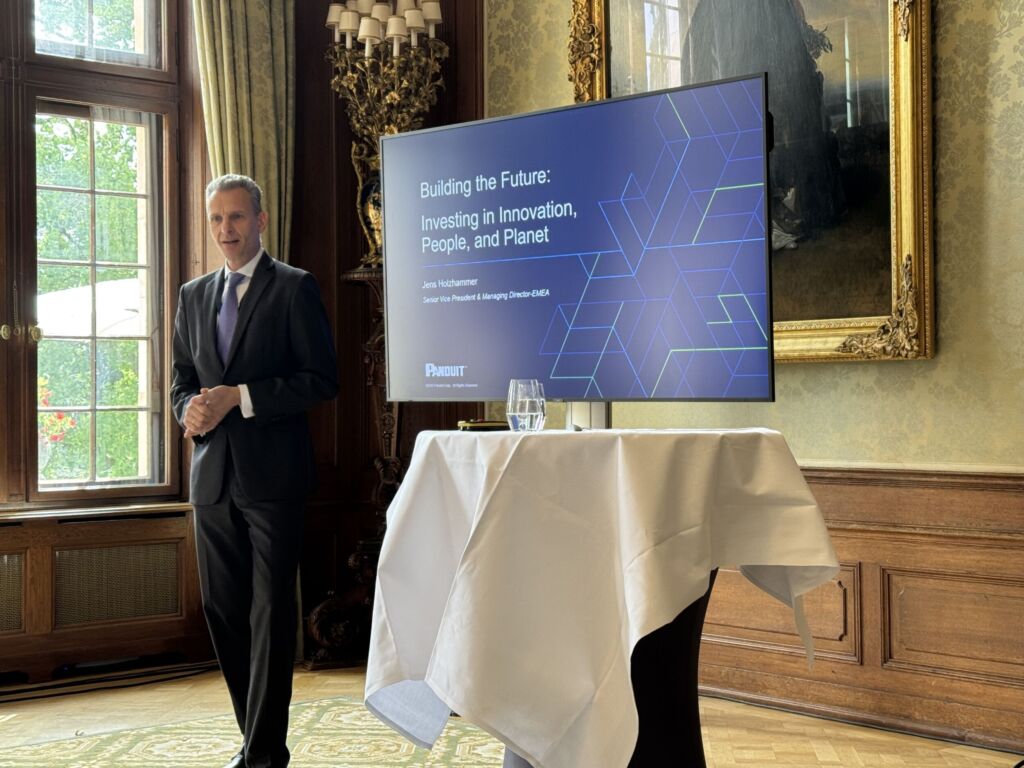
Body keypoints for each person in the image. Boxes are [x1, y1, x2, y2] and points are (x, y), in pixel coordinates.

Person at [171, 174, 338, 768]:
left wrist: (240, 396)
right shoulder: (193, 295)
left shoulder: (294, 287)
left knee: (270, 613)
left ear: (261, 221)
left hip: (274, 479)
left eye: (237, 217)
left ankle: (263, 756)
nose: (226, 230)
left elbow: (321, 380)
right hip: (211, 478)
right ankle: (257, 742)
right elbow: (181, 381)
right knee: (222, 610)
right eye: (217, 219)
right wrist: (187, 410)